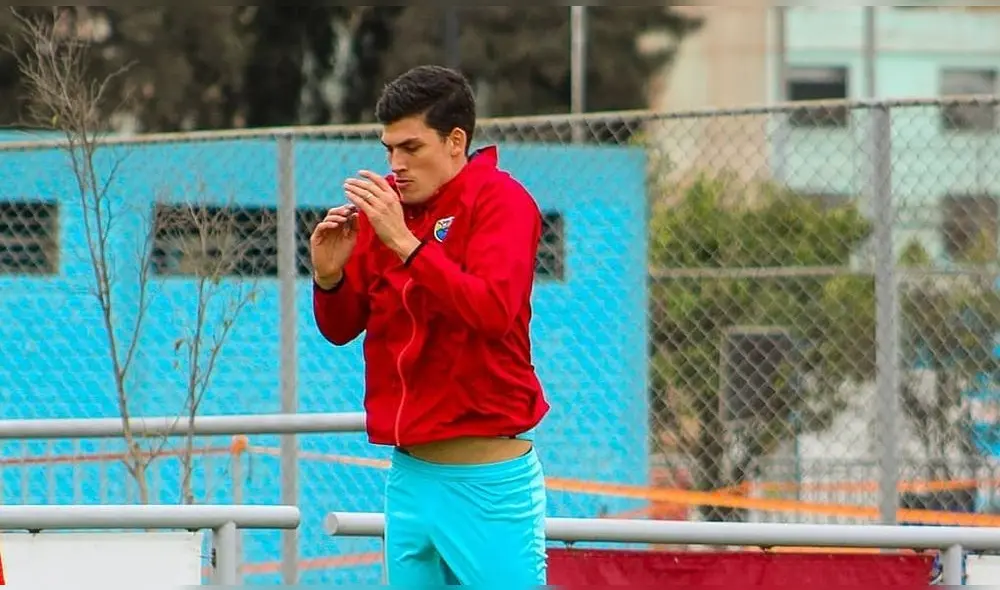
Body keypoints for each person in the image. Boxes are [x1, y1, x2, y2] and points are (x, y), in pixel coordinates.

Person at [310, 64, 551, 587]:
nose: (395, 165)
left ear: (456, 140)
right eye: (388, 149)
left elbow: (491, 310)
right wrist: (329, 277)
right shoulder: (391, 216)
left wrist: (406, 245)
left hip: (487, 479)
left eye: (411, 148)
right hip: (410, 476)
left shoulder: (502, 202)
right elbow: (341, 327)